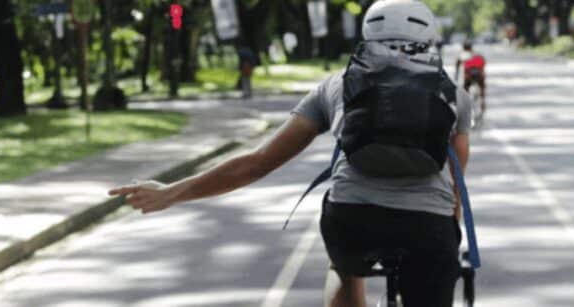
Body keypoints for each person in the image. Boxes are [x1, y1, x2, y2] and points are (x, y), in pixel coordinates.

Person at [108, 1, 471, 306]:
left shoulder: (336, 86)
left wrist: (171, 191)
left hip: (352, 222)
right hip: (428, 229)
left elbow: (257, 163)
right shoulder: (456, 96)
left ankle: (348, 280)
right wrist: (446, 243)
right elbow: (456, 187)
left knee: (343, 269)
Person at [455, 41, 486, 117]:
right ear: (471, 47)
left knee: (465, 91)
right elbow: (483, 63)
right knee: (482, 91)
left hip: (469, 77)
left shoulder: (462, 55)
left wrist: (456, 76)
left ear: (463, 48)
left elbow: (457, 67)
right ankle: (482, 105)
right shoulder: (477, 54)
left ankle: (465, 108)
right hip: (479, 75)